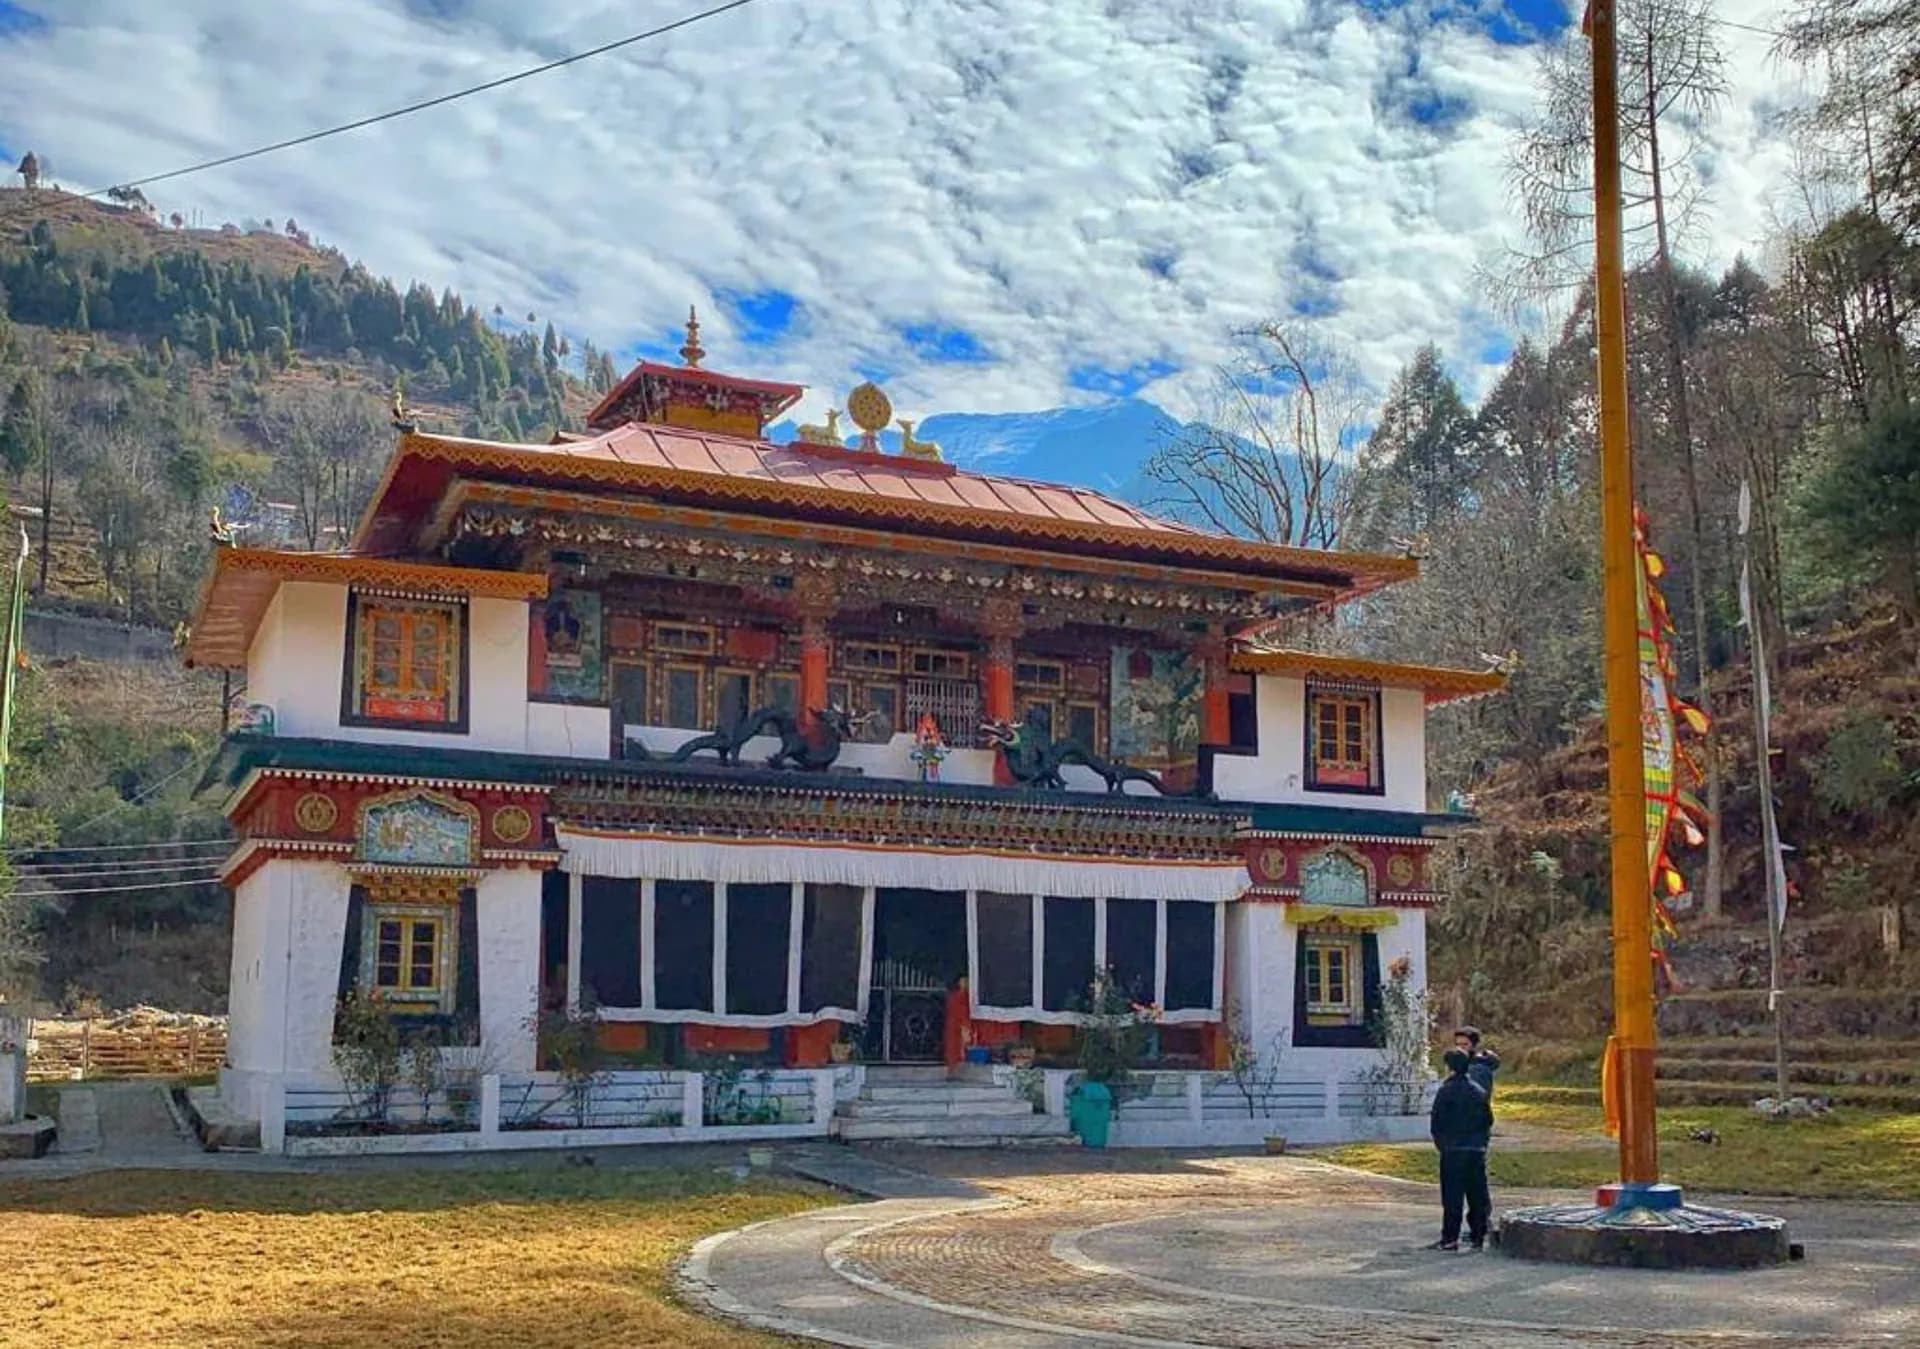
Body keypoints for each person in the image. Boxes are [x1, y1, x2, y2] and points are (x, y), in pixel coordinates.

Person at [1427, 1048, 1493, 1252]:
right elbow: (1488, 1120)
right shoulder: (1478, 1091)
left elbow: (1436, 1121)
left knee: (1452, 1196)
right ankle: (1478, 1235)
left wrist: (1442, 1144)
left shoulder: (1446, 1091)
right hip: (1475, 1149)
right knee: (1477, 1194)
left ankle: (1450, 1238)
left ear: (1449, 1067)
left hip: (1453, 1150)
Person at [1455, 1026, 1499, 1100]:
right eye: (1458, 1044)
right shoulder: (1460, 1063)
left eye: (1465, 1044)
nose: (1460, 1048)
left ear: (1474, 1045)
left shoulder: (1479, 1069)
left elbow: (1477, 1097)